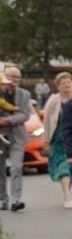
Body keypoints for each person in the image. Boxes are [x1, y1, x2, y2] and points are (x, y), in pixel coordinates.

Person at [41, 72, 72, 208]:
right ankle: (67, 194)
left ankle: (67, 189)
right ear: (58, 86)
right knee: (64, 166)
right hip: (58, 140)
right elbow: (46, 121)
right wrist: (46, 141)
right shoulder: (53, 100)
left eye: (68, 82)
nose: (67, 85)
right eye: (63, 83)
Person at [0, 65, 32, 211]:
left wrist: (8, 120)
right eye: (11, 76)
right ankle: (3, 199)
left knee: (16, 167)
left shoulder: (25, 94)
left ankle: (16, 200)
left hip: (17, 136)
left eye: (17, 77)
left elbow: (25, 114)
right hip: (1, 136)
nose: (14, 80)